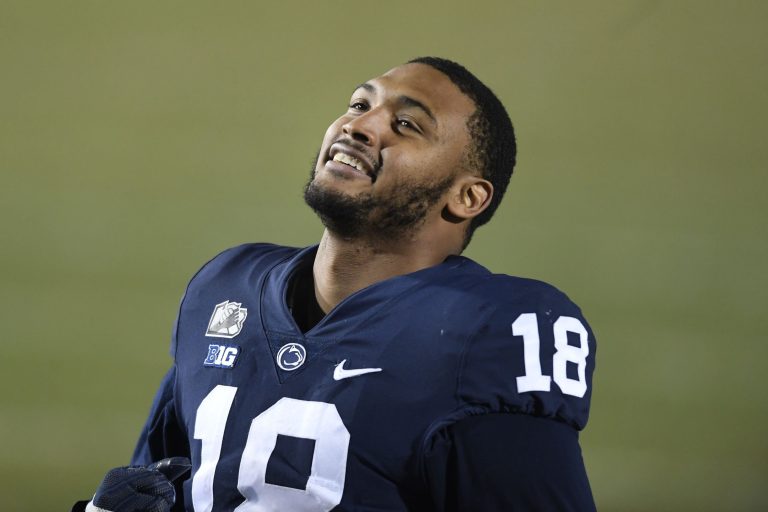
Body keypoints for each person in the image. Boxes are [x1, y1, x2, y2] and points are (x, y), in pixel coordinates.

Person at [74, 57, 597, 511]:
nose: (361, 126)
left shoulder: (487, 333)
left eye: (408, 125)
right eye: (358, 104)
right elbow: (159, 483)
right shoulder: (224, 287)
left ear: (466, 198)